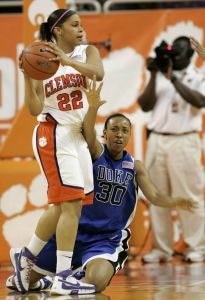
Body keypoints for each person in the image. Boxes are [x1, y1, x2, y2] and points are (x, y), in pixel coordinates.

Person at [8, 77, 197, 295]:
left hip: (106, 239)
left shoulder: (135, 166)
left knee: (95, 282)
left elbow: (154, 196)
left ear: (129, 135)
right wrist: (93, 108)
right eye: (114, 129)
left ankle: (75, 275)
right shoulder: (96, 153)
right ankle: (49, 279)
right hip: (74, 234)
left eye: (125, 130)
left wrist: (177, 201)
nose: (119, 134)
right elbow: (88, 132)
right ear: (104, 135)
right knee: (22, 282)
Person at [14, 8, 104, 295]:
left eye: (81, 25)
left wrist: (66, 60)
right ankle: (63, 275)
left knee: (66, 205)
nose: (81, 29)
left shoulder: (86, 52)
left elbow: (98, 73)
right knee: (71, 204)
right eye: (75, 25)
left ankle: (26, 256)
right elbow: (34, 109)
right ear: (58, 30)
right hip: (53, 132)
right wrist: (29, 78)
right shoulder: (39, 55)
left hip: (77, 135)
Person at [138, 36, 205, 263]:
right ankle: (161, 248)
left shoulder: (197, 76)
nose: (174, 56)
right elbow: (145, 104)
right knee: (157, 196)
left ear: (189, 55)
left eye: (179, 52)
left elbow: (200, 100)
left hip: (184, 140)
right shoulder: (161, 72)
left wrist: (173, 80)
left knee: (188, 195)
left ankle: (197, 246)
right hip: (157, 139)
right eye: (172, 51)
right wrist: (155, 75)